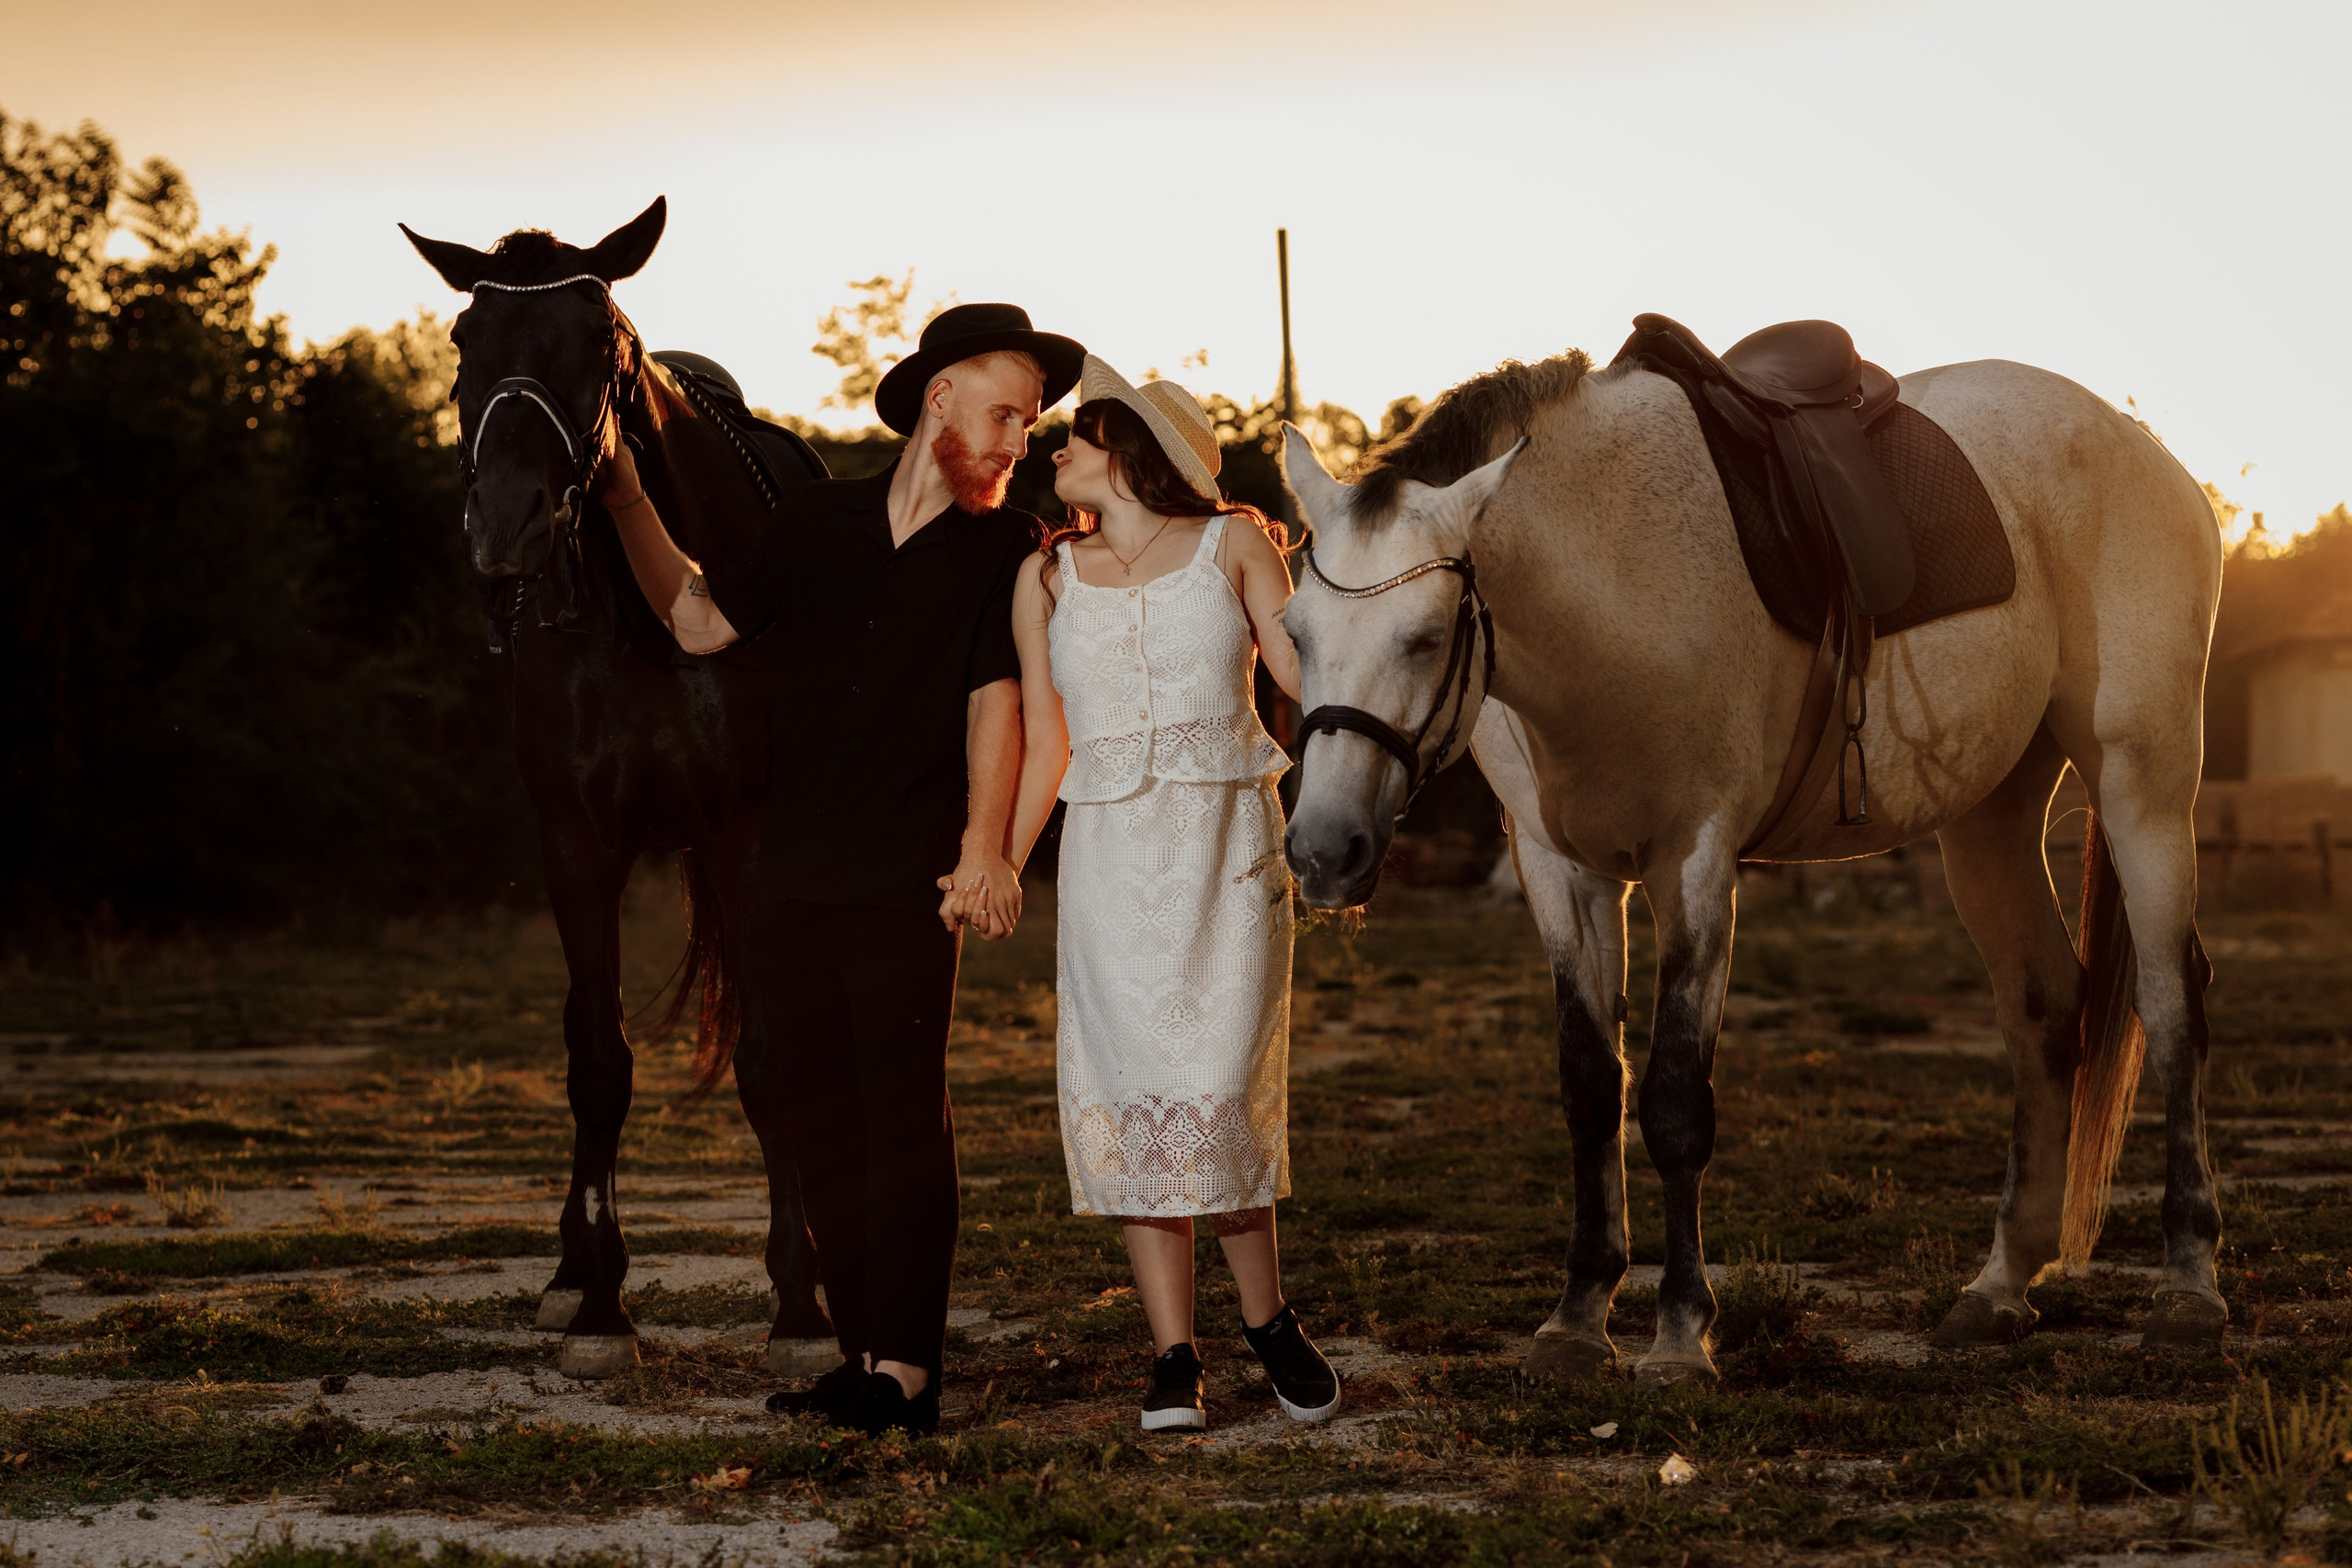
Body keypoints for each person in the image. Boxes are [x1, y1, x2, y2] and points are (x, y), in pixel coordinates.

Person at [598, 303, 1084, 1436]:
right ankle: (859, 1349)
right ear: (939, 399)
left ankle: (908, 1369)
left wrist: (983, 853)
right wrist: (625, 494)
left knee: (902, 1117)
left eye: (1031, 422)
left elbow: (995, 711)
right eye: (1006, 413)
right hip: (791, 869)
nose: (1020, 441)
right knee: (817, 1116)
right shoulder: (815, 523)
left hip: (910, 878)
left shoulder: (998, 550)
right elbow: (702, 622)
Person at [1002, 355, 1340, 1432]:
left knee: (1219, 1087)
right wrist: (1003, 860)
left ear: (1134, 451)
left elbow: (1304, 679)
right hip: (1108, 859)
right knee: (1138, 1093)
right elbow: (1046, 741)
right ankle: (1172, 1356)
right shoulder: (1044, 578)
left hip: (1227, 850)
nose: (1057, 449)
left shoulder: (1236, 542)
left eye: (1080, 433)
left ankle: (1268, 1323)